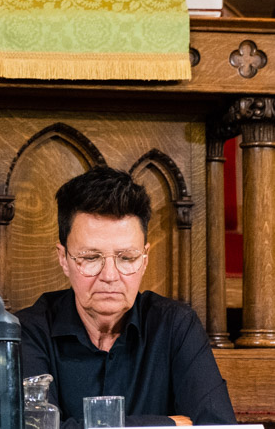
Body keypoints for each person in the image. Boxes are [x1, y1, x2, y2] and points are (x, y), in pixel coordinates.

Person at [18, 166, 235, 429]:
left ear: (144, 259)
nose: (110, 275)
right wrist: (166, 424)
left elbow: (218, 427)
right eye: (90, 257)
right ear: (63, 258)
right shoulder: (27, 331)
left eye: (127, 258)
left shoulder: (176, 325)